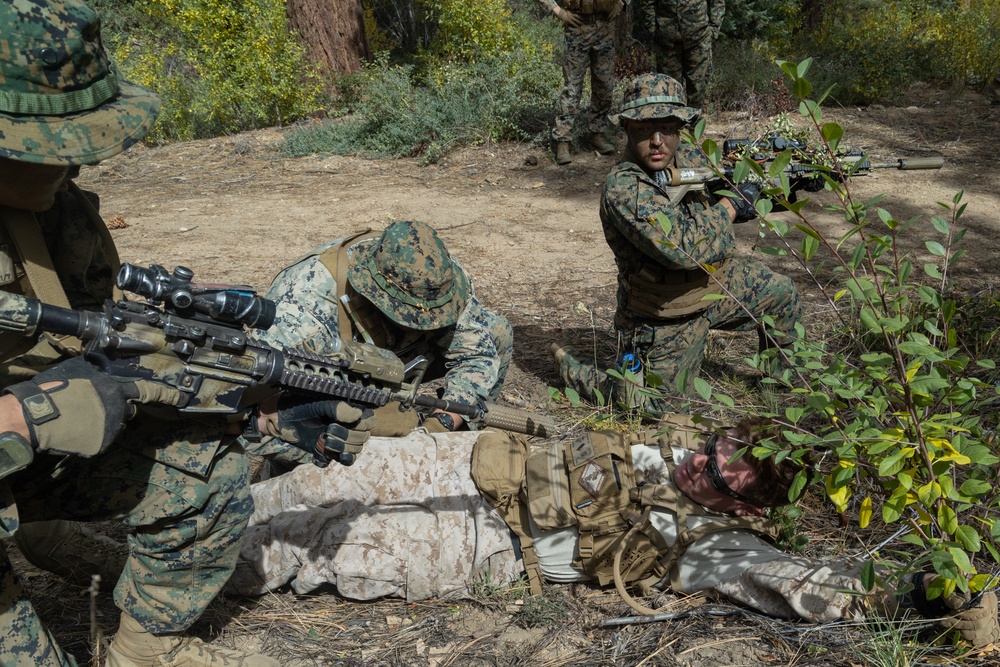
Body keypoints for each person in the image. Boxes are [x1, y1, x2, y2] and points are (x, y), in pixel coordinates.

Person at [0, 2, 371, 665]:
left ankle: (142, 647)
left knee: (203, 468)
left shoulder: (55, 210)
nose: (70, 165)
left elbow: (92, 346)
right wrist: (28, 416)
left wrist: (228, 397)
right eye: (47, 142)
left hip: (28, 453)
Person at [225, 414, 999, 648]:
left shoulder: (716, 544)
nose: (705, 468)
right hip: (468, 460)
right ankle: (172, 505)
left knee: (291, 548)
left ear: (747, 507)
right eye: (715, 450)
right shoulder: (676, 451)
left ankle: (164, 565)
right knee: (309, 480)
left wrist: (931, 596)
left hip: (486, 544)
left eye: (729, 478)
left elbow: (801, 585)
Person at [552, 73, 801, 413]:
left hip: (712, 288)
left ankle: (780, 388)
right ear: (626, 129)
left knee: (781, 295)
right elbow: (682, 249)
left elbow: (723, 179)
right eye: (644, 130)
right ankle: (579, 372)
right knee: (654, 409)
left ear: (681, 126)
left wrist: (778, 184)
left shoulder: (686, 157)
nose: (657, 141)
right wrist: (731, 206)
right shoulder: (624, 187)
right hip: (661, 316)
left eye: (668, 128)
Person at [243, 220, 513, 468]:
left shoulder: (436, 278)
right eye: (412, 316)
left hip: (398, 358)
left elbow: (475, 355)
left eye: (433, 317)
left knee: (497, 332)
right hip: (327, 375)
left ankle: (457, 459)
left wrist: (442, 424)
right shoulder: (303, 309)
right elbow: (239, 415)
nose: (427, 322)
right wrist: (316, 444)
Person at [539, 0, 624, 165]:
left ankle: (597, 134)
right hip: (577, 26)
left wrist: (621, 3)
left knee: (604, 85)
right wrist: (557, 10)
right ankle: (563, 142)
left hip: (605, 24)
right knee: (572, 86)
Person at [641, 0, 724, 107]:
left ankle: (694, 121)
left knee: (697, 88)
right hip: (667, 40)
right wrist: (652, 28)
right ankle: (673, 121)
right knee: (669, 88)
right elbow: (647, 3)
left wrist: (714, 30)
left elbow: (718, 2)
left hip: (699, 38)